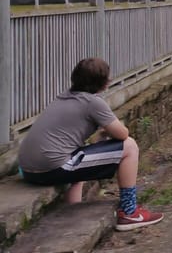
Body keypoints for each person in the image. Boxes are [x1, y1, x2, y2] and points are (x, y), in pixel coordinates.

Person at [17, 58, 164, 231]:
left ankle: (73, 213)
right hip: (52, 169)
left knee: (78, 162)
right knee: (130, 146)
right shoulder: (92, 102)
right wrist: (107, 132)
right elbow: (123, 134)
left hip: (27, 171)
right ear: (104, 83)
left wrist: (102, 134)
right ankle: (130, 212)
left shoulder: (62, 98)